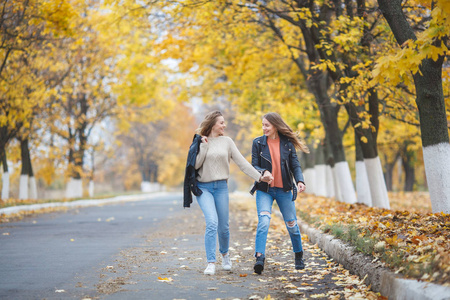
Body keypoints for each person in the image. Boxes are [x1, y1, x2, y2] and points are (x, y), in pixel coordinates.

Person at [193, 110, 272, 275]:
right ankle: (211, 263)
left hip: (221, 187)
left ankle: (225, 255)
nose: (224, 125)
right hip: (203, 188)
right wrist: (204, 145)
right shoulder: (201, 141)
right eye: (221, 122)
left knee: (224, 227)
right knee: (212, 222)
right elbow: (195, 165)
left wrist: (259, 177)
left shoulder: (227, 142)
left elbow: (242, 163)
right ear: (213, 124)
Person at [250, 112, 309, 274]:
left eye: (267, 125)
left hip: (284, 190)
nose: (264, 128)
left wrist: (300, 181)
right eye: (262, 125)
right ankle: (259, 258)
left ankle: (298, 255)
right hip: (265, 190)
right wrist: (263, 173)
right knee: (264, 221)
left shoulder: (287, 144)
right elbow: (254, 165)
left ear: (275, 126)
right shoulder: (258, 143)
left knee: (292, 225)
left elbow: (295, 165)